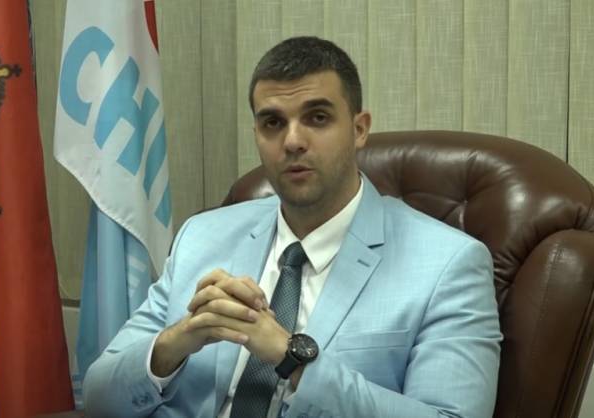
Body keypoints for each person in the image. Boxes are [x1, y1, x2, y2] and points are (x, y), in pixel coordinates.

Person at [83, 36, 502, 418]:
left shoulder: (448, 264)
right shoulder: (202, 236)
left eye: (317, 118)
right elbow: (98, 397)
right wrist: (178, 341)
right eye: (273, 123)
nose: (292, 141)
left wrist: (290, 359)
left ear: (359, 129)